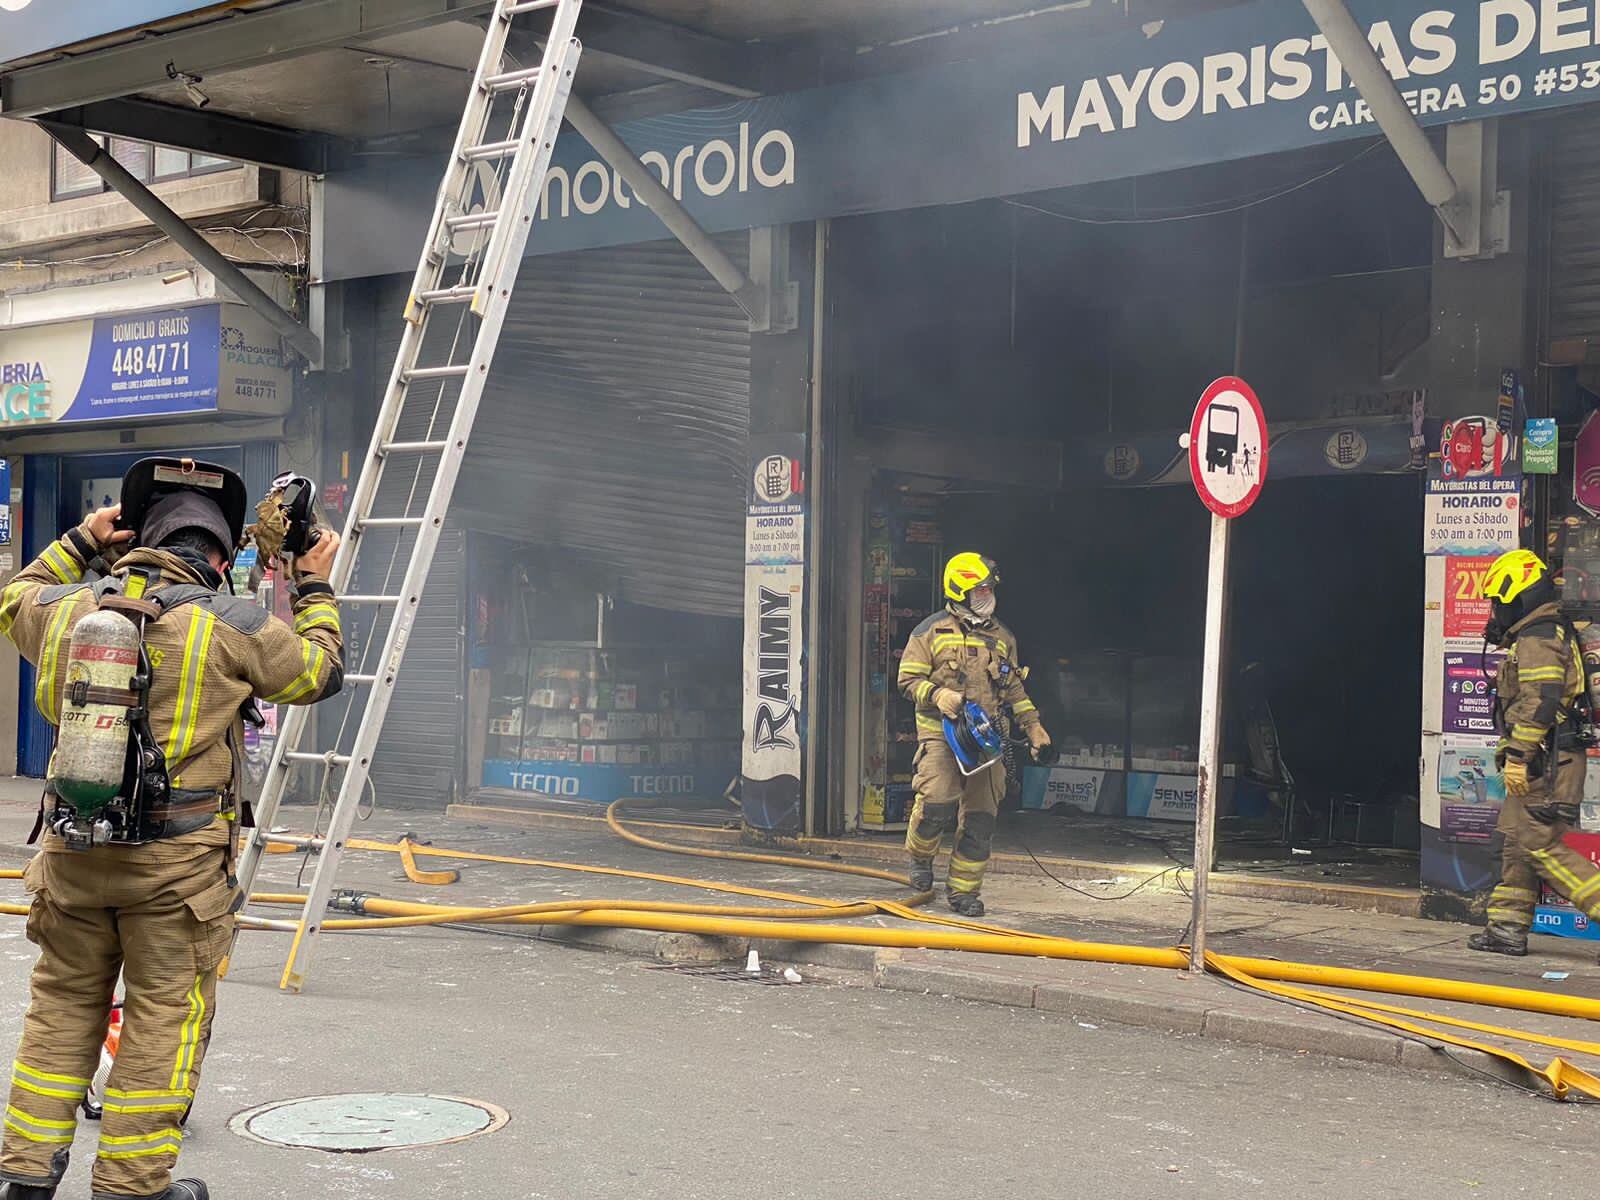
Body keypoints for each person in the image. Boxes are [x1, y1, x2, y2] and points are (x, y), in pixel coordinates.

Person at [0, 458, 343, 1200]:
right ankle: (132, 1188)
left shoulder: (66, 609)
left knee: (60, 1006)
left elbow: (10, 599)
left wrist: (81, 542)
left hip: (73, 856)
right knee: (163, 1019)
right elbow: (318, 671)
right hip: (177, 876)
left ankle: (24, 1178)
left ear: (134, 536)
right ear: (222, 557)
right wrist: (311, 583)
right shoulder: (235, 622)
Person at [896, 552, 1053, 917]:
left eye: (989, 589)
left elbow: (1014, 690)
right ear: (961, 591)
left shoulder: (1003, 638)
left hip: (987, 739)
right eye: (980, 589)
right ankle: (921, 858)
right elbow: (906, 681)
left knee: (981, 818)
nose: (988, 595)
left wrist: (1034, 727)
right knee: (937, 803)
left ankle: (964, 893)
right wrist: (938, 694)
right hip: (941, 734)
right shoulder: (930, 633)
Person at [1468, 548, 1600, 956]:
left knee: (1541, 844)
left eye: (1500, 602)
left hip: (1546, 760)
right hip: (1541, 758)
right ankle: (1507, 926)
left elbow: (1542, 701)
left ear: (1520, 598)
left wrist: (1520, 756)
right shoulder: (1540, 631)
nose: (1496, 611)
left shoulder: (1539, 636)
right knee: (1515, 842)